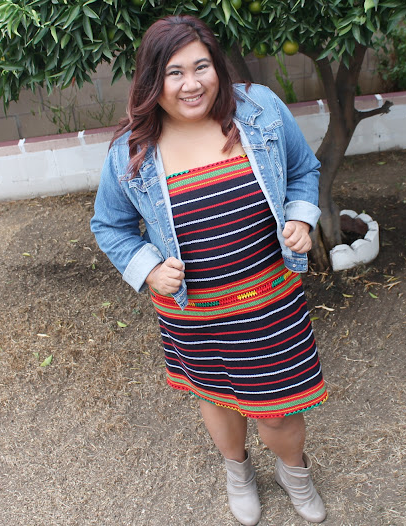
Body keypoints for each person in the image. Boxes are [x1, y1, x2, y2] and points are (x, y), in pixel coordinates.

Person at [90, 14, 327, 525]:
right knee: (218, 400)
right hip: (195, 315)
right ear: (152, 81)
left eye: (201, 67)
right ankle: (238, 473)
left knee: (279, 412)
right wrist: (149, 269)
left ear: (217, 66)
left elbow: (303, 169)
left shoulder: (259, 109)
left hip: (271, 304)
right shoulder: (131, 152)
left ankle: (294, 472)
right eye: (174, 73)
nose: (191, 84)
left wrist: (300, 217)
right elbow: (109, 225)